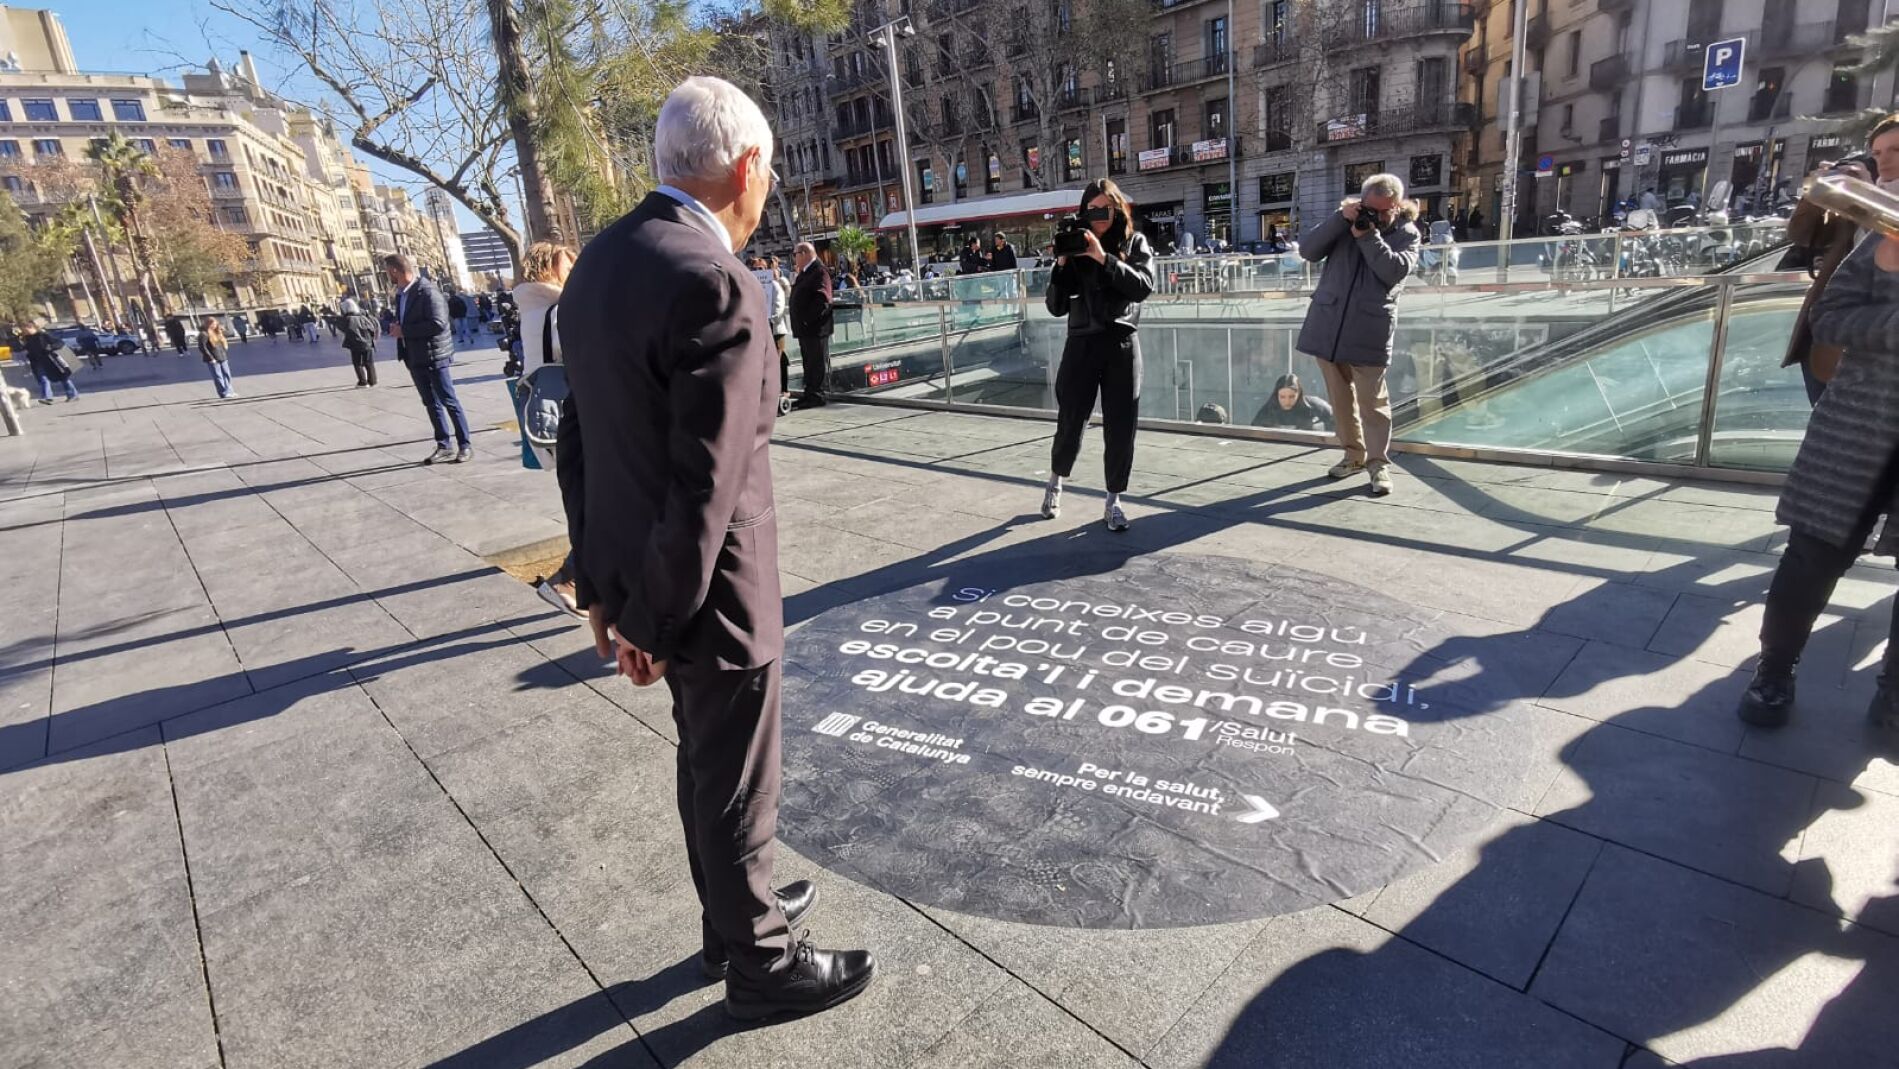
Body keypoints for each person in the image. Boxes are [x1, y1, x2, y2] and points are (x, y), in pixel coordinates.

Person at [558, 75, 873, 1021]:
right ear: (746, 167)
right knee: (735, 775)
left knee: (703, 758)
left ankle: (729, 920)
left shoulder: (599, 262)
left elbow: (579, 438)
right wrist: (652, 618)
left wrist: (605, 591)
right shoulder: (714, 280)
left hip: (641, 575)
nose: (767, 188)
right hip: (711, 589)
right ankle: (762, 961)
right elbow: (709, 480)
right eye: (767, 173)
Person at [1739, 227, 1899, 734]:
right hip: (1855, 429)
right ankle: (1774, 671)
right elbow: (1826, 315)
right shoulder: (1887, 236)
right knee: (1811, 558)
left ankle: (1893, 697)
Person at [1295, 172, 1421, 497]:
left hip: (1369, 331)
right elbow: (1308, 250)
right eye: (1371, 209)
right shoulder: (1344, 223)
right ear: (1361, 202)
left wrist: (1367, 237)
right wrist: (1340, 219)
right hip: (1330, 327)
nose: (1376, 216)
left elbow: (1392, 271)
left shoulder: (1407, 234)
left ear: (1397, 206)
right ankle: (1353, 456)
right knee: (1340, 401)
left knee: (1373, 405)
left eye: (1384, 211)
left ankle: (1378, 465)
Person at [1040, 177, 1156, 531]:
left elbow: (1143, 286)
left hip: (1121, 344)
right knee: (1070, 421)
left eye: (1105, 209)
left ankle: (1113, 501)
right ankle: (1055, 483)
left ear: (1118, 209)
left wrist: (1103, 258)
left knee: (1121, 426)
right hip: (1081, 344)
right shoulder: (1074, 244)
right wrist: (1062, 264)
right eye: (1091, 210)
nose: (1098, 216)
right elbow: (1056, 307)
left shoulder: (1134, 242)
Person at [1780, 115, 1899, 404]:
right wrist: (1816, 192)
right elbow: (1801, 234)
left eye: (1896, 150)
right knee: (1825, 423)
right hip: (1830, 342)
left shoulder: (1870, 199)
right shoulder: (1855, 201)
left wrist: (1870, 194)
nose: (1884, 160)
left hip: (1881, 350)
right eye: (1877, 153)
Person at [385, 254, 472, 463]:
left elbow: (438, 323)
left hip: (434, 356)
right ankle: (444, 445)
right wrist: (398, 327)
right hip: (414, 356)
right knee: (430, 403)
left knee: (449, 401)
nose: (387, 276)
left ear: (395, 270)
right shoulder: (401, 295)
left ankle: (464, 445)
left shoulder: (427, 291)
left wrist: (404, 331)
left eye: (387, 271)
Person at [789, 240, 835, 409]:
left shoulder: (819, 271)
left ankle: (817, 395)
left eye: (795, 254)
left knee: (816, 364)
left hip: (815, 329)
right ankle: (809, 393)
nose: (794, 258)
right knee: (808, 363)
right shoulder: (805, 272)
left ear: (804, 254)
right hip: (805, 330)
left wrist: (807, 319)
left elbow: (823, 299)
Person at [16, 321, 78, 403]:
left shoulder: (43, 335)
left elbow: (60, 343)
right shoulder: (27, 339)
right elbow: (26, 349)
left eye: (25, 330)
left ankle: (72, 395)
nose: (24, 332)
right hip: (38, 362)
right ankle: (47, 397)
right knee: (43, 379)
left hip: (52, 361)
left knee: (63, 378)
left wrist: (50, 347)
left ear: (31, 328)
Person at [1252, 373, 1335, 431]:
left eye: (1292, 397)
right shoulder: (1268, 411)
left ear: (1299, 394)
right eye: (1282, 397)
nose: (1287, 401)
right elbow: (1254, 432)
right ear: (1276, 395)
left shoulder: (1316, 407)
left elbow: (1336, 421)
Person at [338, 297, 380, 387]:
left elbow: (343, 328)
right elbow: (372, 327)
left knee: (357, 363)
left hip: (356, 343)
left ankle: (363, 382)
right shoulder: (363, 316)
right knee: (369, 362)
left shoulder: (348, 319)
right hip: (368, 342)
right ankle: (372, 380)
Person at [198, 316, 236, 399]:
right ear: (208, 324)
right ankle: (223, 392)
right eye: (213, 324)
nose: (215, 326)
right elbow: (202, 347)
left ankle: (229, 391)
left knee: (227, 374)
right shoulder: (204, 334)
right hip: (213, 359)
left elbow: (228, 334)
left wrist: (222, 329)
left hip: (222, 356)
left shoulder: (217, 332)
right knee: (218, 376)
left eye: (216, 324)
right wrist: (211, 358)